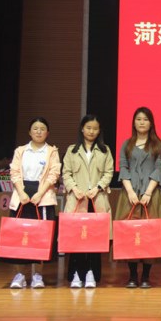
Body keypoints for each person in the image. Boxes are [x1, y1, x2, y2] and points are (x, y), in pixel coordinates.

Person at [114, 106, 161, 288]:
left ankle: (145, 276)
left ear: (151, 123)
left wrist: (148, 192)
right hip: (129, 195)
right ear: (133, 123)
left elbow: (158, 169)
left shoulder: (157, 145)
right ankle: (131, 276)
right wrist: (130, 191)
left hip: (150, 195)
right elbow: (123, 167)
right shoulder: (127, 144)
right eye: (138, 119)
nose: (141, 122)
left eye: (145, 119)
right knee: (130, 234)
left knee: (148, 235)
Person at [7, 117, 61, 289]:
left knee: (41, 237)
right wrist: (21, 192)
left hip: (42, 196)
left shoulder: (51, 151)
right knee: (20, 236)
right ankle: (20, 275)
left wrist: (40, 193)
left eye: (42, 129)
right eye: (35, 128)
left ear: (48, 133)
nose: (39, 131)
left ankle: (38, 275)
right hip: (22, 195)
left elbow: (54, 174)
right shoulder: (21, 150)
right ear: (29, 132)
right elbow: (14, 172)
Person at [62, 114, 114, 288]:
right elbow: (66, 173)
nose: (92, 131)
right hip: (78, 200)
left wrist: (98, 188)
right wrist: (74, 188)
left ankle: (92, 273)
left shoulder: (105, 150)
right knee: (77, 239)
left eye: (95, 129)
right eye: (88, 128)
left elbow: (109, 173)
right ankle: (76, 274)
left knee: (95, 239)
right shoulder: (72, 150)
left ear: (99, 131)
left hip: (96, 200)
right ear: (82, 129)